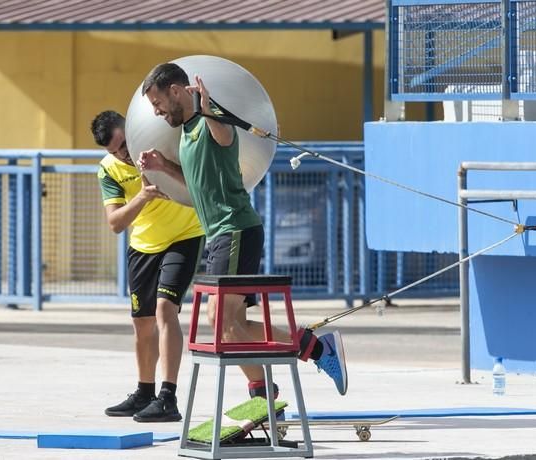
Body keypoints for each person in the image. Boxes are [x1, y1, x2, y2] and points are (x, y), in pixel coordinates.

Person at [137, 63, 348, 398]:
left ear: (176, 91)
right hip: (222, 236)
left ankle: (271, 384)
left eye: (157, 102)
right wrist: (163, 167)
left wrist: (210, 111)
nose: (156, 111)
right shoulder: (187, 135)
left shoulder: (211, 122)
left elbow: (225, 136)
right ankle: (306, 356)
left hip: (235, 230)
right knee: (230, 325)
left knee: (222, 323)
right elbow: (197, 185)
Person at [91, 110, 205, 422]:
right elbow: (115, 223)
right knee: (142, 324)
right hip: (143, 245)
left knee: (165, 308)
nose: (123, 155)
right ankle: (145, 391)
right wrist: (143, 196)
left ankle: (168, 396)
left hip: (185, 235)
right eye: (115, 151)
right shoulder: (109, 169)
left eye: (124, 145)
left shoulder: (161, 142)